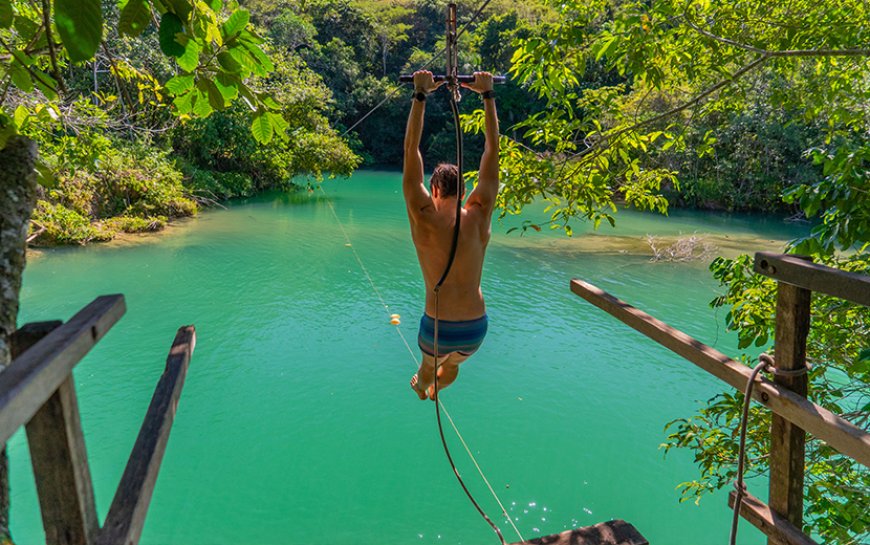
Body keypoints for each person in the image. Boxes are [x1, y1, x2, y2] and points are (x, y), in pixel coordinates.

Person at [403, 70, 499, 400]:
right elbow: (491, 153)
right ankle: (434, 388)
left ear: (433, 190)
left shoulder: (422, 216)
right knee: (454, 367)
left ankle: (423, 384)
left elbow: (411, 151)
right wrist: (488, 95)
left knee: (429, 367)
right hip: (475, 328)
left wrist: (420, 95)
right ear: (465, 191)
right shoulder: (478, 214)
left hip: (438, 327)